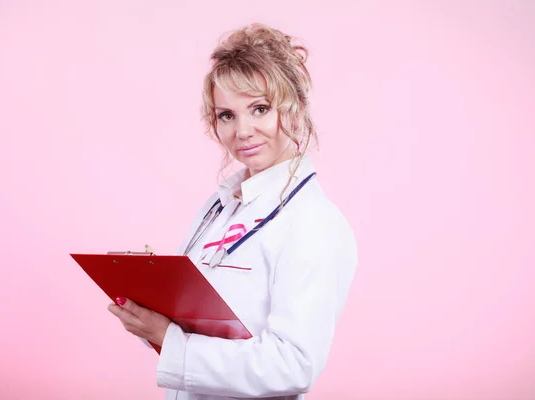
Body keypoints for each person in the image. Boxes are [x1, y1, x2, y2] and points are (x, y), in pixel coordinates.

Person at [107, 22, 358, 399]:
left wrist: (170, 343)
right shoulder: (219, 205)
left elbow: (294, 364)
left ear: (294, 108)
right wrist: (149, 310)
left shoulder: (313, 222)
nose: (242, 131)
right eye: (227, 114)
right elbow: (191, 326)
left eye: (259, 108)